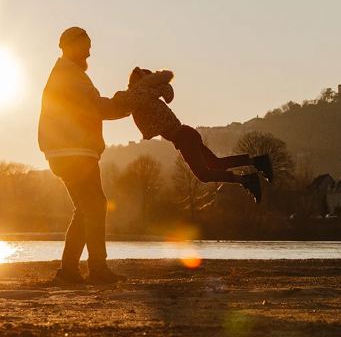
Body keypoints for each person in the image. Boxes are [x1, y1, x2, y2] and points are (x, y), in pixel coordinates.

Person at [38, 27, 132, 285]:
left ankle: (68, 271)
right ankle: (97, 269)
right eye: (86, 46)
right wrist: (129, 102)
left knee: (85, 209)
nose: (89, 52)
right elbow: (97, 106)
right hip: (74, 151)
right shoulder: (71, 76)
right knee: (96, 205)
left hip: (65, 152)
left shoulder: (67, 74)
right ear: (70, 46)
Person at [115, 67, 272, 202]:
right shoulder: (148, 95)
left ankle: (247, 179)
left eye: (131, 84)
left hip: (184, 137)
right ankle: (257, 163)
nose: (129, 87)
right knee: (216, 164)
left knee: (203, 174)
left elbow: (125, 100)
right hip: (186, 134)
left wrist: (119, 97)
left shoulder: (142, 94)